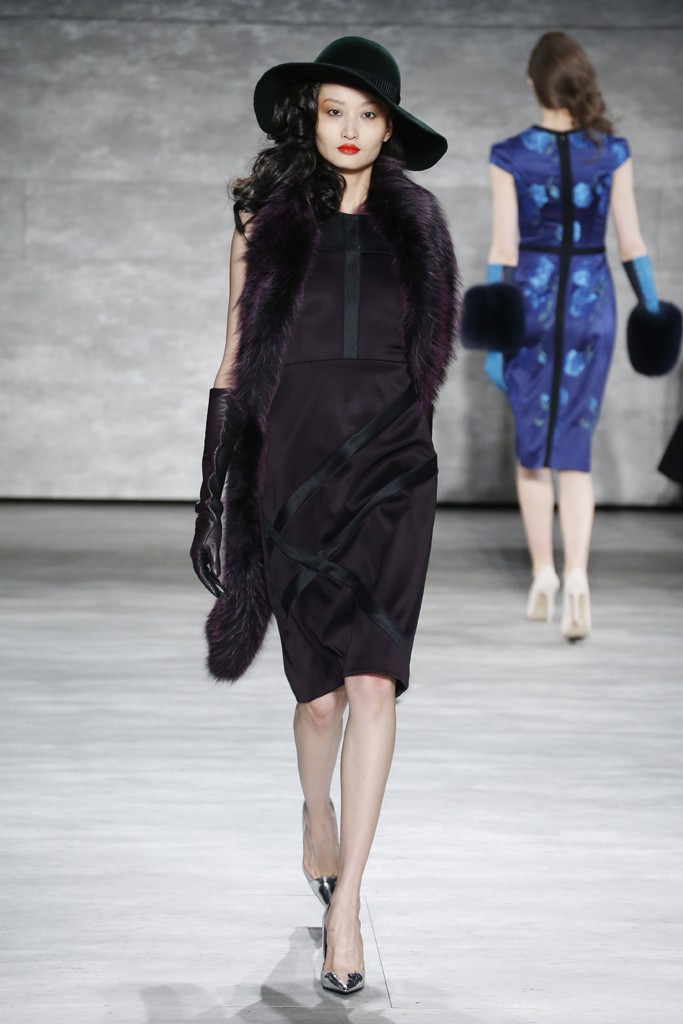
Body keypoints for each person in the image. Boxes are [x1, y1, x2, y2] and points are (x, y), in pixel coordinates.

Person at [190, 37, 459, 995]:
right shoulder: (262, 220)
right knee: (317, 699)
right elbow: (236, 358)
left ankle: (347, 909)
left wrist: (408, 449)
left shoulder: (416, 227)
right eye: (334, 109)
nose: (348, 129)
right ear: (310, 116)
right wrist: (214, 494)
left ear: (389, 129)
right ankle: (317, 814)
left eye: (367, 114)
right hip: (294, 472)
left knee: (374, 683)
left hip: (391, 469)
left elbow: (428, 356)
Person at [463, 30, 679, 641]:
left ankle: (544, 577)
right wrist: (653, 311)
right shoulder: (611, 152)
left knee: (532, 451)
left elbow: (503, 247)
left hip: (530, 307)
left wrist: (494, 338)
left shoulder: (509, 154)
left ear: (532, 82)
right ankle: (579, 578)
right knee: (575, 451)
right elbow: (631, 243)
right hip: (591, 306)